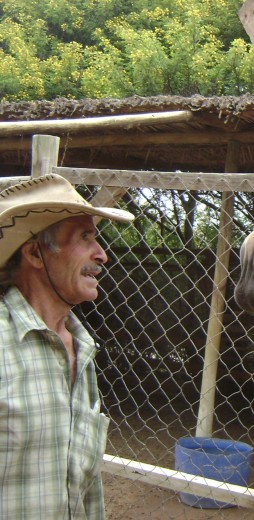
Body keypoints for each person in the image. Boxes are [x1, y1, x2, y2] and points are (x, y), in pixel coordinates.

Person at [0, 173, 134, 519]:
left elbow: (86, 491)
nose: (102, 254)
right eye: (85, 237)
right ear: (34, 253)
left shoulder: (82, 348)